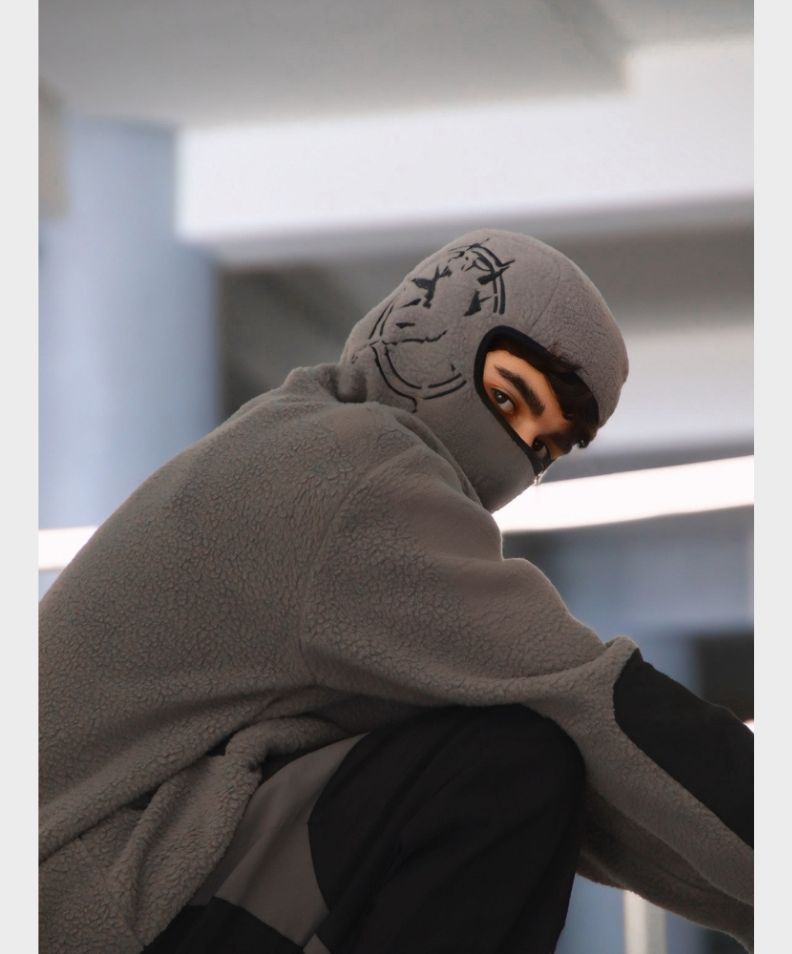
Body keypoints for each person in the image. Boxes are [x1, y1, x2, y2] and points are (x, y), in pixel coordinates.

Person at [39, 228, 753, 954]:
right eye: (506, 399)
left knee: (509, 753)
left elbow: (602, 794)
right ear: (425, 333)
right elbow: (592, 699)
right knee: (511, 765)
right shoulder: (358, 472)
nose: (515, 459)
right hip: (82, 906)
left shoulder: (293, 436)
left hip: (90, 888)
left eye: (542, 448)